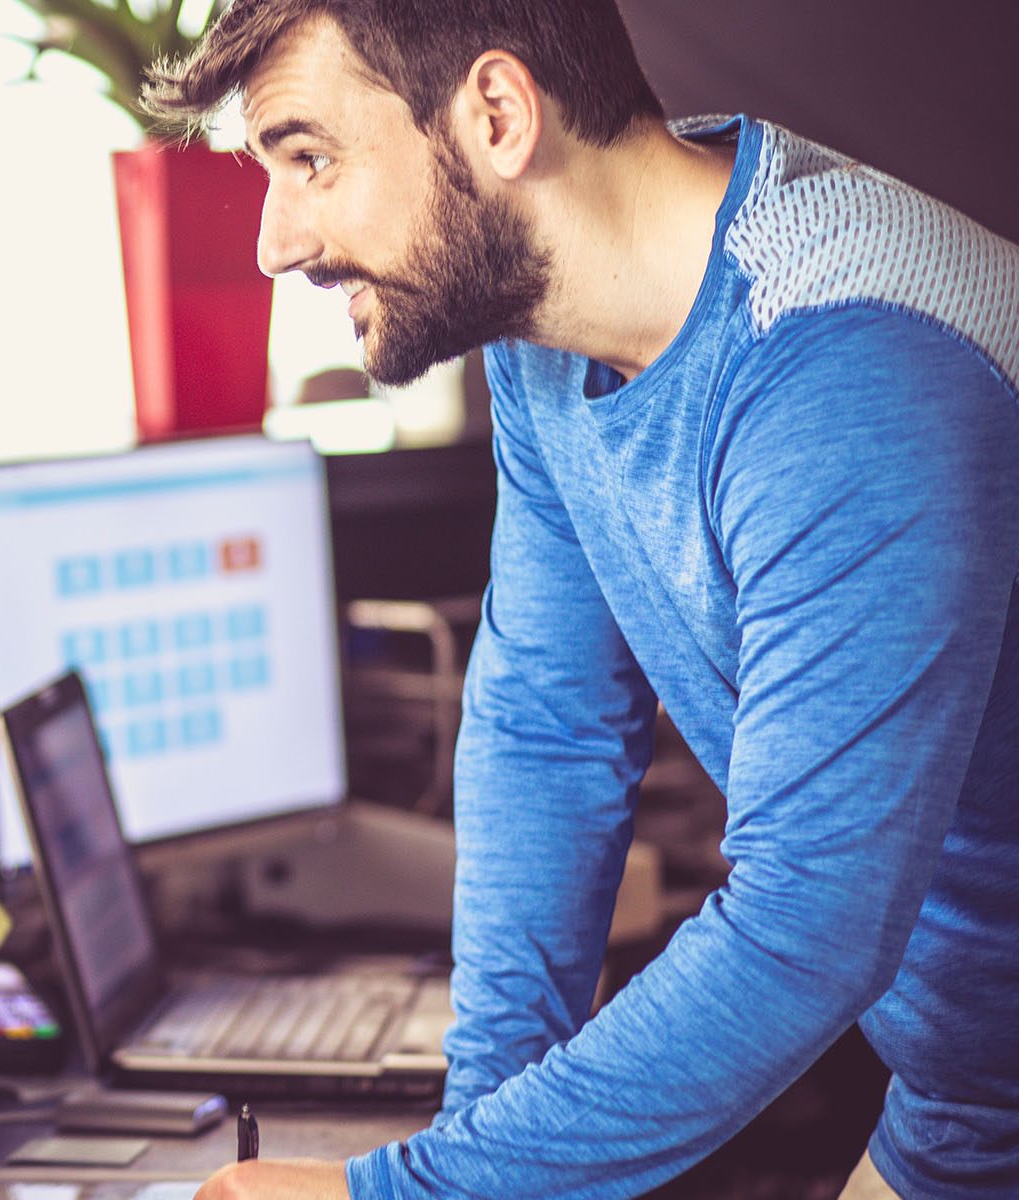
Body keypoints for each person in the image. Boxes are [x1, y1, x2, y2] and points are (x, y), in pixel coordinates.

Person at [138, 1, 1019, 1197]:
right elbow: (547, 731)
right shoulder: (555, 333)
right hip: (975, 1098)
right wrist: (468, 1153)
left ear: (498, 114)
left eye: (311, 159)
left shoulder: (843, 365)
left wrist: (400, 1195)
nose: (274, 242)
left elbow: (807, 931)